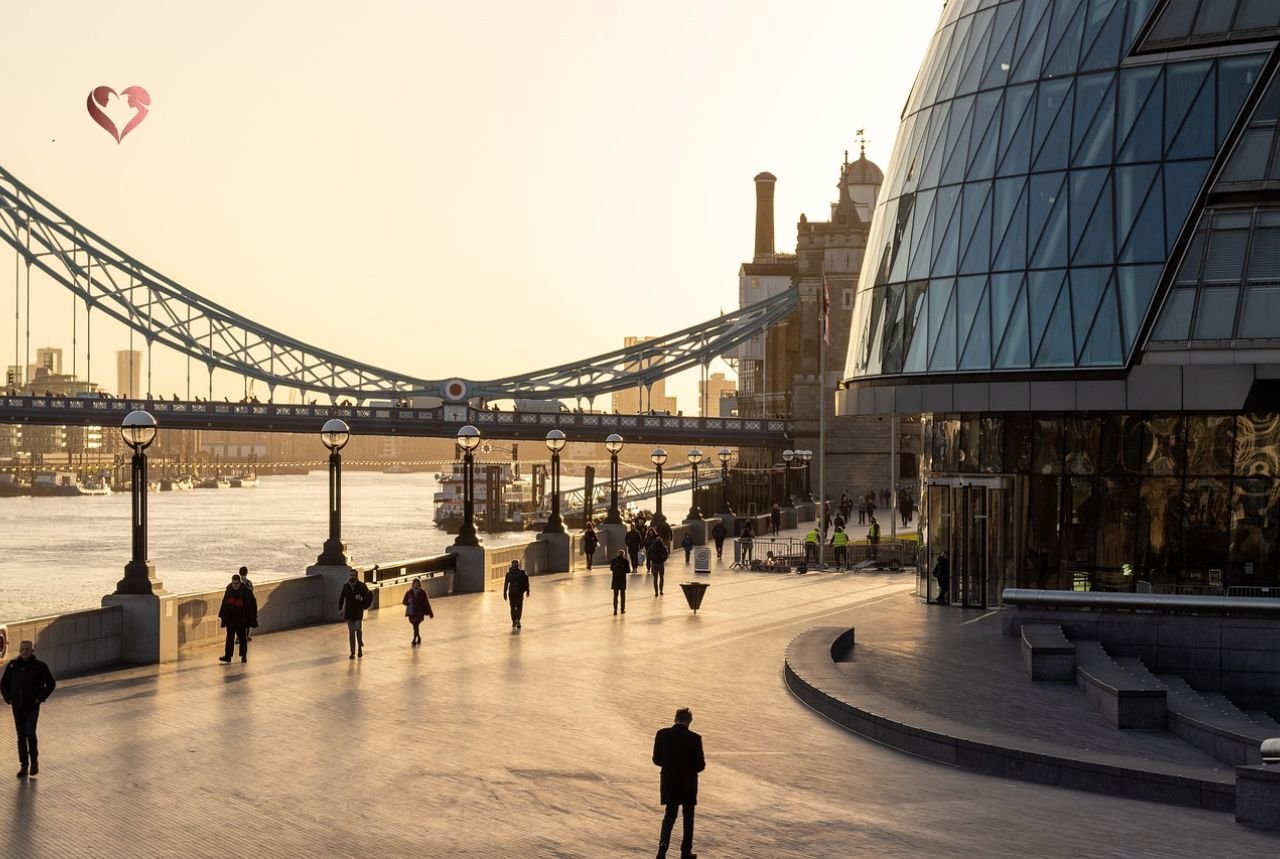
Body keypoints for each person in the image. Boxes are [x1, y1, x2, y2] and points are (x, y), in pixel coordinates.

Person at [652, 707, 706, 859]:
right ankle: (685, 851)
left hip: (670, 782)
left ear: (675, 718)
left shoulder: (662, 734)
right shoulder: (695, 738)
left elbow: (656, 759)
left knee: (669, 815)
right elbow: (700, 765)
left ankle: (663, 847)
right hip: (688, 784)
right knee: (688, 818)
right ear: (689, 721)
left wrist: (670, 766)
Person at [1, 640, 55, 779]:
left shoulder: (40, 667)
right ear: (19, 650)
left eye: (27, 649)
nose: (25, 651)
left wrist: (39, 698)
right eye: (22, 649)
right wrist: (9, 698)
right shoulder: (13, 666)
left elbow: (50, 684)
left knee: (30, 733)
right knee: (21, 736)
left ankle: (34, 760)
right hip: (17, 706)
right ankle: (24, 766)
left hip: (32, 706)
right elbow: (3, 684)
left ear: (32, 651)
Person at [218, 573, 258, 663]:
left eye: (236, 583)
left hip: (241, 619)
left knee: (242, 638)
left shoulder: (246, 591)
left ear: (239, 583)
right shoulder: (229, 590)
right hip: (231, 619)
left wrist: (252, 619)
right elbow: (224, 604)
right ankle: (228, 656)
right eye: (233, 583)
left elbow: (251, 605)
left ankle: (243, 656)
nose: (234, 585)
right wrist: (224, 617)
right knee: (229, 638)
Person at [338, 569, 373, 658]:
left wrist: (361, 598)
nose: (352, 577)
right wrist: (340, 609)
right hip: (349, 612)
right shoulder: (346, 586)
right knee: (351, 633)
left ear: (357, 576)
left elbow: (368, 596)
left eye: (353, 575)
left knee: (358, 629)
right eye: (351, 575)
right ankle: (353, 652)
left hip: (358, 611)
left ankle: (360, 646)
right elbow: (342, 598)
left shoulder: (362, 586)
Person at [402, 578, 434, 645]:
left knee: (416, 625)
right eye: (415, 584)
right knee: (415, 626)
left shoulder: (423, 593)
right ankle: (418, 637)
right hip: (412, 612)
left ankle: (414, 639)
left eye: (417, 584)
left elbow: (426, 603)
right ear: (413, 585)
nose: (416, 585)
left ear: (419, 585)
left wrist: (430, 612)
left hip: (419, 612)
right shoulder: (409, 592)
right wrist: (408, 602)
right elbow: (404, 601)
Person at [503, 560, 530, 630]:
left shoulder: (508, 574)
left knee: (512, 607)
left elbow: (506, 584)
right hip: (519, 592)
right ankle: (518, 619)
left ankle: (513, 622)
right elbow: (526, 582)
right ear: (518, 565)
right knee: (519, 606)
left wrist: (504, 593)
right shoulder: (522, 573)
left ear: (511, 565)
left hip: (511, 592)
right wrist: (527, 590)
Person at [610, 549, 630, 615]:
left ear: (618, 554)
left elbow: (611, 568)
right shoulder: (625, 561)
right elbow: (628, 571)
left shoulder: (613, 561)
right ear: (623, 554)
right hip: (622, 580)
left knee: (615, 595)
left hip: (615, 580)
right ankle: (622, 609)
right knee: (622, 595)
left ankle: (615, 610)